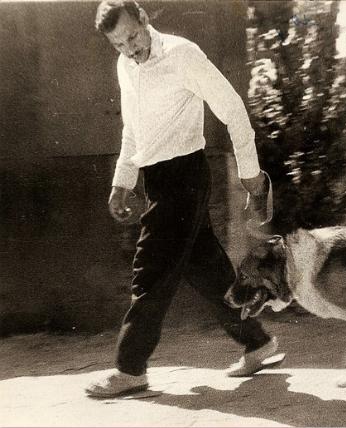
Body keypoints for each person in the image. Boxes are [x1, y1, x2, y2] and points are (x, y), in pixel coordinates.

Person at [86, 0, 278, 398]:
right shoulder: (127, 67)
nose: (130, 49)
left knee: (150, 270)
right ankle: (258, 343)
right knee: (207, 271)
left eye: (133, 37)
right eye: (119, 45)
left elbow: (234, 109)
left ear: (144, 18)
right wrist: (122, 181)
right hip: (157, 180)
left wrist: (250, 175)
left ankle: (130, 368)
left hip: (184, 176)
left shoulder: (182, 54)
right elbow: (133, 131)